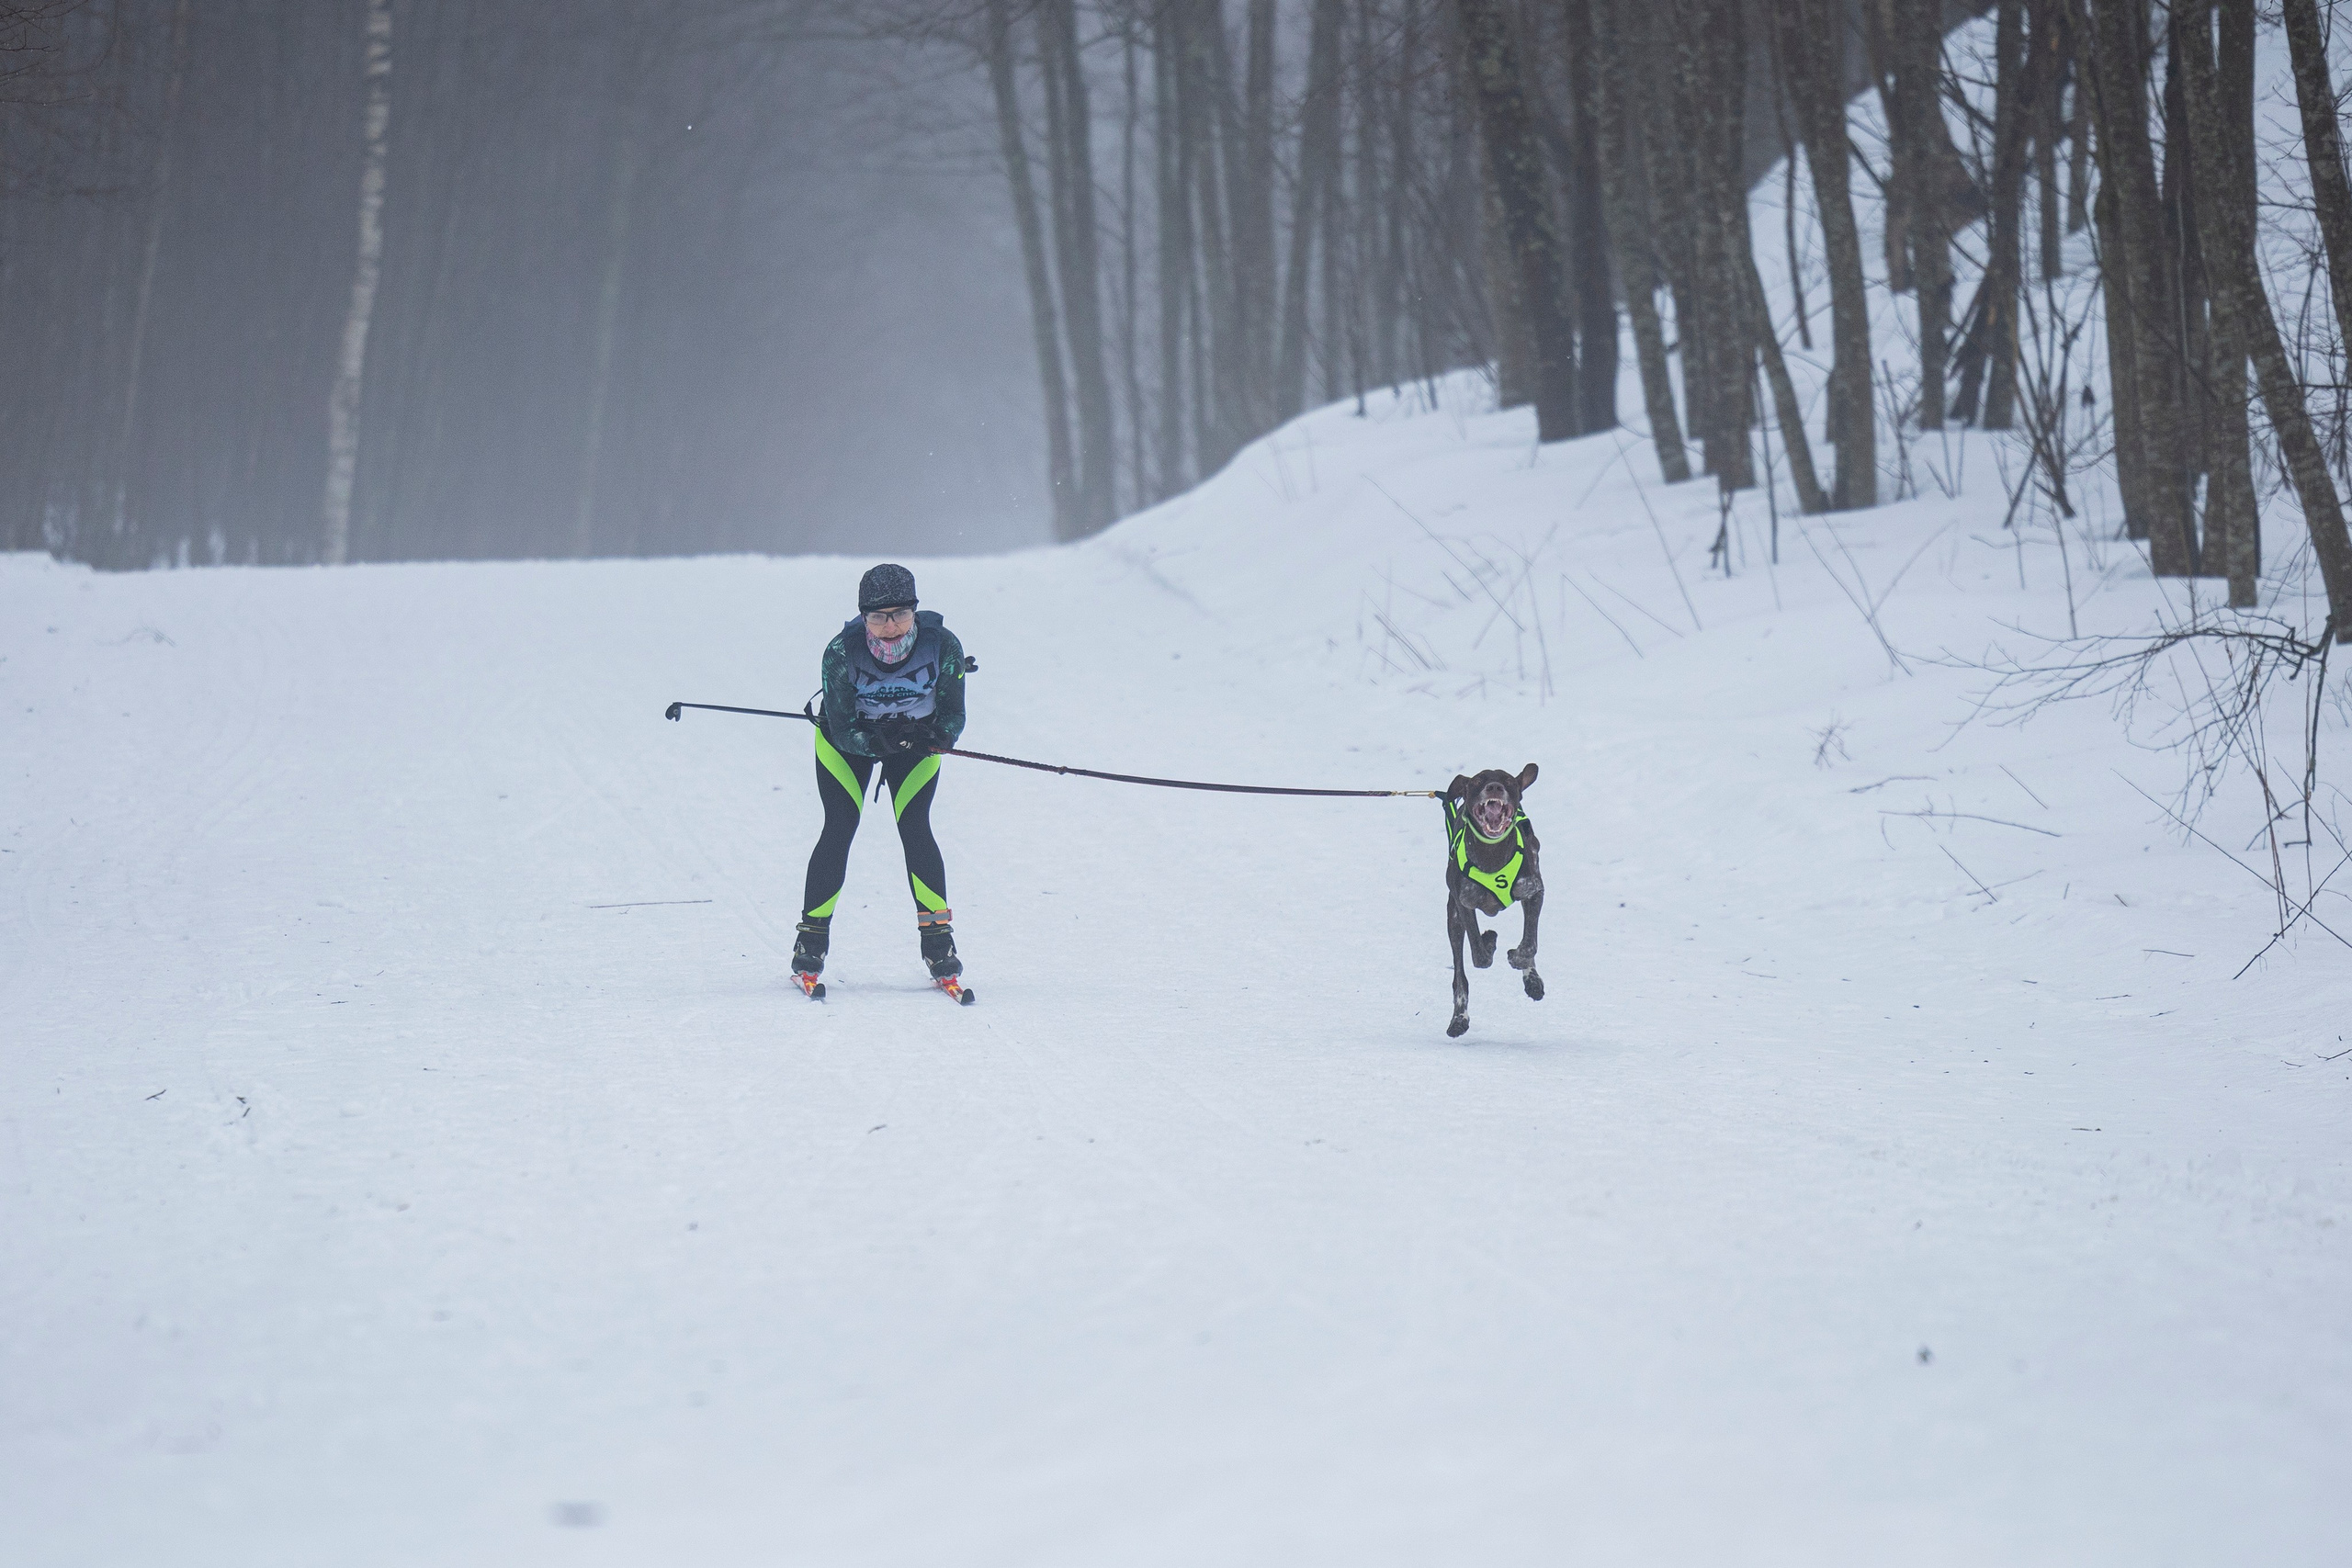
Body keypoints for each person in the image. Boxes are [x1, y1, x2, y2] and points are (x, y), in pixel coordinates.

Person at [792, 563, 968, 989]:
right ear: (862, 616)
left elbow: (953, 717)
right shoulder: (840, 651)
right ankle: (810, 942)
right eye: (877, 617)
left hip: (915, 742)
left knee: (915, 827)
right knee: (839, 827)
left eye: (900, 614)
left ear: (915, 611)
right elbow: (843, 725)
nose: (890, 627)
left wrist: (931, 737)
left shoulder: (944, 646)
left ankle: (938, 942)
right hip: (845, 744)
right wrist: (881, 743)